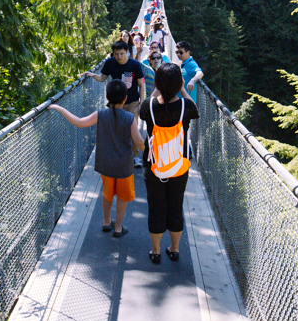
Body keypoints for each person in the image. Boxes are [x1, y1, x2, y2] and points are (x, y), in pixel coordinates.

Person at [49, 80, 144, 237]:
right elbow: (139, 141)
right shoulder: (129, 118)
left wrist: (60, 109)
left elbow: (79, 123)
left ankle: (106, 222)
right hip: (124, 166)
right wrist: (150, 153)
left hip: (105, 164)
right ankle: (118, 227)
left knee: (107, 194)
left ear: (106, 97)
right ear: (125, 98)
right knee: (123, 196)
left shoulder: (100, 115)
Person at [140, 63, 199, 264]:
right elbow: (195, 110)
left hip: (154, 165)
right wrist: (182, 89)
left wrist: (156, 89)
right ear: (178, 82)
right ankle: (174, 249)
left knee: (156, 207)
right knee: (175, 206)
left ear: (157, 82)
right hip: (179, 164)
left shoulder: (148, 106)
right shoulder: (186, 107)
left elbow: (143, 111)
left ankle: (155, 251)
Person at [85, 41, 146, 166]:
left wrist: (142, 102)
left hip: (132, 102)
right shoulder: (110, 62)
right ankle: (119, 154)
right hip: (115, 104)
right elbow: (102, 78)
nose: (119, 57)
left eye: (122, 54)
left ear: (127, 52)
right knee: (117, 130)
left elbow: (141, 84)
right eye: (116, 54)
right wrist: (92, 75)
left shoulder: (134, 65)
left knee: (133, 131)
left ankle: (134, 157)